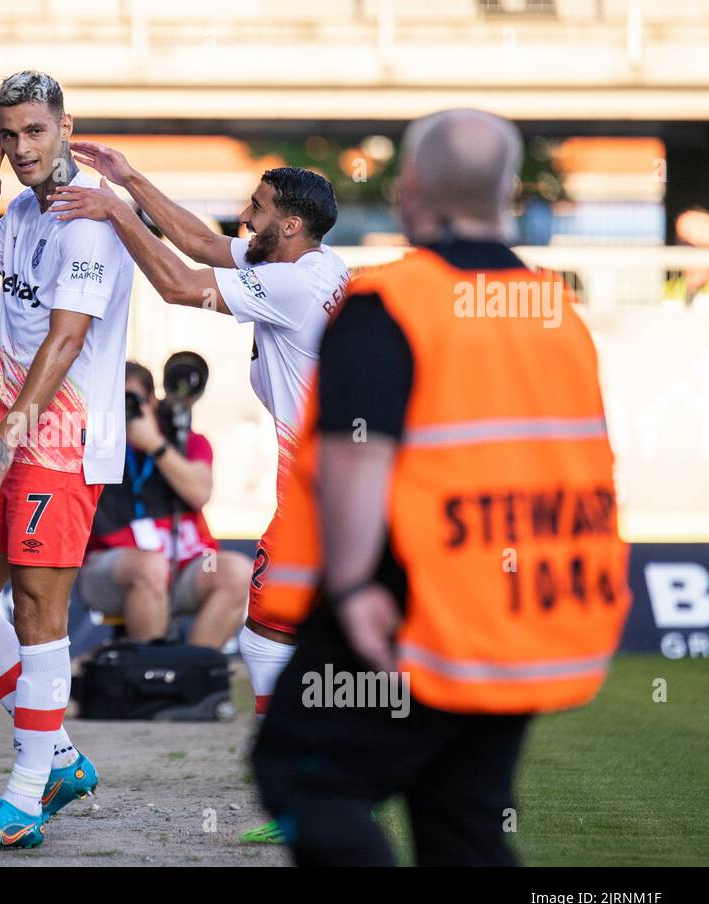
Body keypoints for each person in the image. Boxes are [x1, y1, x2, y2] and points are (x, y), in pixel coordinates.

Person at [249, 108, 630, 865]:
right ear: (508, 191)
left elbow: (358, 458)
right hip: (524, 612)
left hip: (410, 613)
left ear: (410, 190)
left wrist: (354, 588)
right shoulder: (556, 309)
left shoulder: (392, 303)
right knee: (463, 820)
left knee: (298, 776)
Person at [48, 143, 347, 845]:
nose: (245, 216)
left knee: (270, 636)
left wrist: (117, 212)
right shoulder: (305, 262)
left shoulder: (296, 281)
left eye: (259, 208)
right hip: (325, 479)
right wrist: (131, 181)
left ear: (291, 225)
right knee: (297, 638)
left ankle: (302, 801)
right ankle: (316, 789)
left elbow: (183, 282)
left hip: (319, 487)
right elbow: (205, 243)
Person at [0, 70, 135, 850]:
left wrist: (8, 434)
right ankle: (56, 756)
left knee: (37, 613)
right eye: (8, 134)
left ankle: (24, 797)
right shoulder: (18, 210)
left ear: (65, 127)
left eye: (35, 131)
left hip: (57, 444)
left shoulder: (89, 222)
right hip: (8, 440)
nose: (20, 148)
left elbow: (66, 338)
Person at [80, 361, 250, 647]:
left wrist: (155, 444)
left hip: (184, 564)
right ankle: (153, 675)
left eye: (132, 401)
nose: (125, 411)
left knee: (238, 571)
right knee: (150, 566)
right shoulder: (89, 445)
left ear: (151, 403)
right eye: (115, 402)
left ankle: (192, 672)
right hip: (109, 567)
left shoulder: (184, 441)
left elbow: (199, 493)